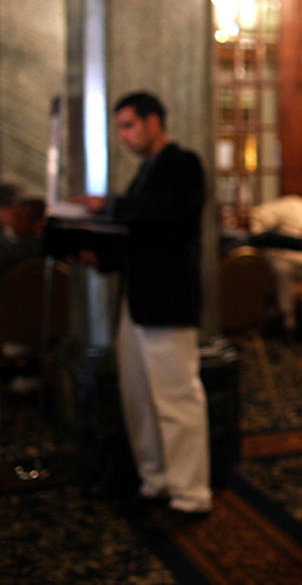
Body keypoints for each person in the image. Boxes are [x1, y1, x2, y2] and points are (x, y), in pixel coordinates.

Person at [78, 91, 212, 527]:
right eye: (119, 128)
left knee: (176, 398)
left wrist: (109, 206)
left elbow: (166, 220)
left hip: (167, 300)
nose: (124, 136)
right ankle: (157, 482)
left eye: (129, 125)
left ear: (155, 121)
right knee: (139, 398)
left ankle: (191, 494)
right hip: (138, 299)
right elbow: (140, 237)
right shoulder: (144, 173)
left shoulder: (183, 164)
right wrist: (103, 257)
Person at [248, 185, 302, 335]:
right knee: (282, 268)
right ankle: (287, 321)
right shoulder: (295, 205)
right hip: (286, 258)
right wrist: (263, 239)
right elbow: (258, 215)